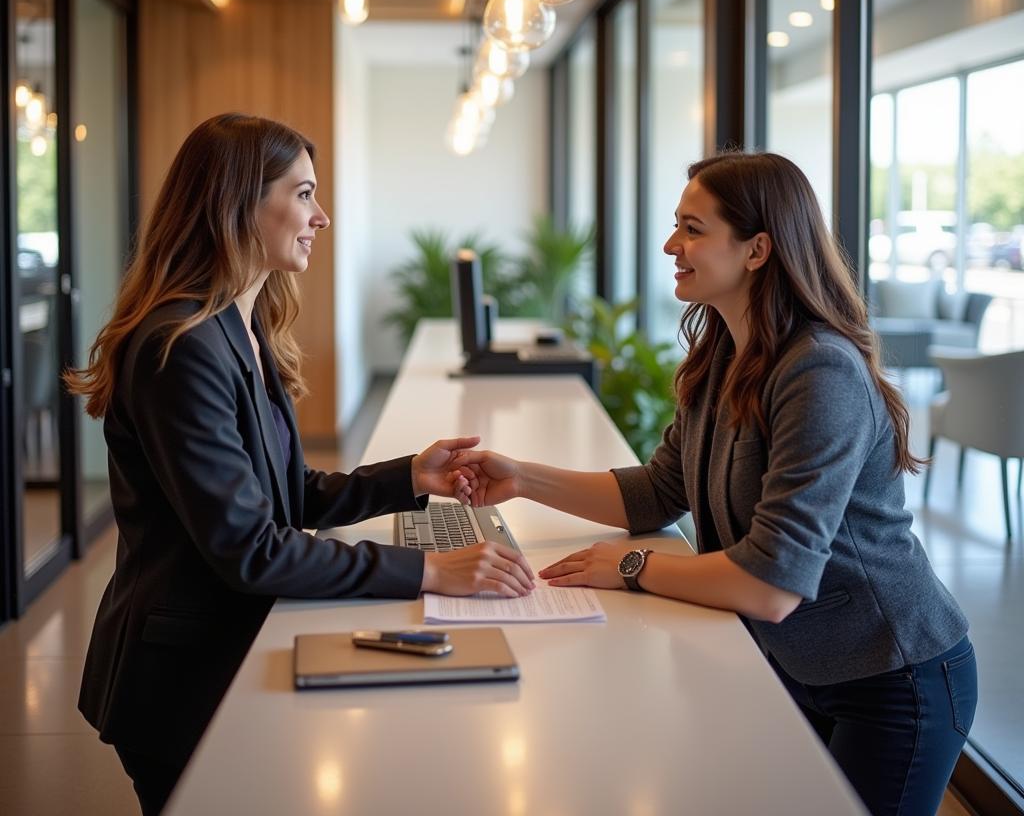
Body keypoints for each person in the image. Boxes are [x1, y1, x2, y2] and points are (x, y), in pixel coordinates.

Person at [450, 152, 977, 816]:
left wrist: (634, 565)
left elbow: (772, 583)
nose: (672, 245)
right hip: (796, 665)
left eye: (692, 229)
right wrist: (521, 478)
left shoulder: (821, 374)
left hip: (892, 678)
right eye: (677, 226)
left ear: (757, 249)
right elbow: (656, 491)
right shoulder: (724, 353)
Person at [66, 113, 533, 815]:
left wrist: (410, 476)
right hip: (182, 673)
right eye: (305, 193)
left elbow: (283, 496)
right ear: (238, 204)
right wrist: (433, 570)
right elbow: (250, 548)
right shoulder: (182, 347)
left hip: (227, 643)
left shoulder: (240, 325)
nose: (323, 216)